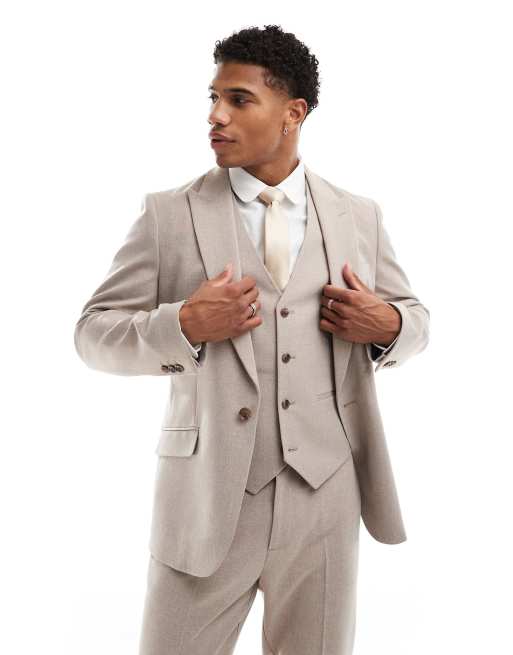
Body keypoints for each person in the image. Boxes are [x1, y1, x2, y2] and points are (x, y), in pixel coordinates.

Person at [74, 24, 430, 655]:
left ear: (293, 113)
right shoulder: (169, 214)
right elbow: (93, 333)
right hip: (207, 498)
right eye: (213, 98)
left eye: (239, 100)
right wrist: (182, 325)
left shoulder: (357, 215)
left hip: (325, 494)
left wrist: (390, 328)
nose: (216, 116)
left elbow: (413, 317)